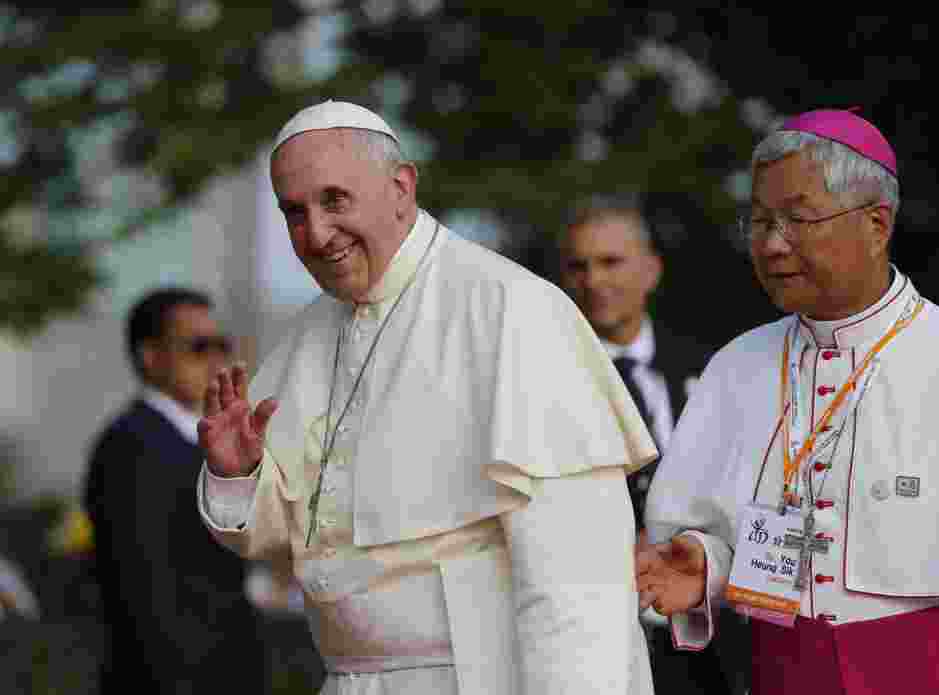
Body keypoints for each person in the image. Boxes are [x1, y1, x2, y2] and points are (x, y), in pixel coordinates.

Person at [196, 100, 657, 695]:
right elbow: (285, 536)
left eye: (334, 200)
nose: (315, 233)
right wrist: (240, 475)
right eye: (294, 212)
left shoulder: (510, 308)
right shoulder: (310, 333)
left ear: (400, 187)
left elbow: (577, 585)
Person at [637, 108, 939, 694]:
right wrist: (707, 564)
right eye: (760, 220)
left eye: (797, 219)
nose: (769, 244)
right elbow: (728, 531)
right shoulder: (737, 366)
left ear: (876, 223)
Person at [558, 198, 748, 695]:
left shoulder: (711, 371)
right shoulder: (544, 381)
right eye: (579, 266)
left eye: (611, 262)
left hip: (706, 636)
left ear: (651, 269)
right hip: (595, 639)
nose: (594, 281)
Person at [83, 288, 267, 695]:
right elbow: (146, 592)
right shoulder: (131, 445)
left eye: (222, 344)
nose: (216, 358)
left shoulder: (200, 440)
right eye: (199, 346)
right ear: (151, 357)